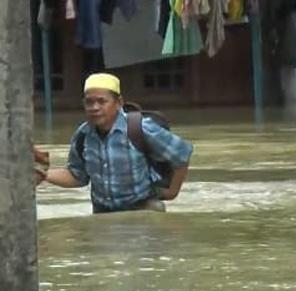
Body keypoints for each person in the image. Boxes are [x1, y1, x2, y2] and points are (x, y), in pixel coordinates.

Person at [39, 73, 193, 213]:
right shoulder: (83, 135)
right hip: (102, 212)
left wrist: (172, 192)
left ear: (118, 103)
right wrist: (42, 174)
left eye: (101, 101)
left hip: (142, 208)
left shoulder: (140, 128)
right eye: (89, 102)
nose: (94, 107)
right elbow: (77, 176)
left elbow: (182, 154)